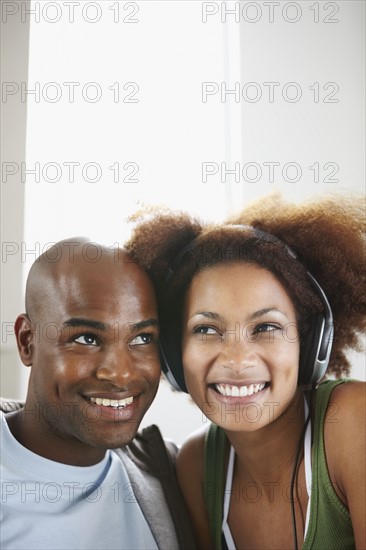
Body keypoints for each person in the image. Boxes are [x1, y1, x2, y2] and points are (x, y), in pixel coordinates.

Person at [125, 194, 366, 550]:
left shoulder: (352, 422)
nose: (237, 361)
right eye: (207, 329)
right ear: (175, 355)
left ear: (311, 341)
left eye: (266, 327)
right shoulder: (197, 466)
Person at [0, 238, 195, 550]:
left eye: (143, 337)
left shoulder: (173, 472)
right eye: (86, 338)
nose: (120, 373)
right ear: (27, 341)